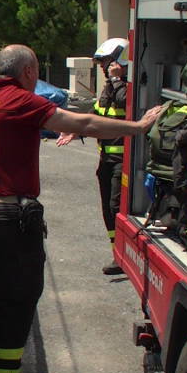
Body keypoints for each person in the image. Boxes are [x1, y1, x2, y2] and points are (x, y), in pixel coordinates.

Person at [0, 44, 161, 373]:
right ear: (29, 72)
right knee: (20, 298)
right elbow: (82, 123)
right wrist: (139, 127)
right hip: (12, 218)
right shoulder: (21, 100)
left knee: (8, 296)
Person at [56, 37, 130, 275]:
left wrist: (117, 79)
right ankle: (117, 255)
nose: (103, 68)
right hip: (106, 161)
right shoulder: (110, 86)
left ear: (120, 60)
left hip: (122, 161)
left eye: (106, 63)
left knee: (116, 206)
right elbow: (96, 114)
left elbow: (126, 103)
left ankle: (123, 256)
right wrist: (75, 130)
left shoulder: (128, 85)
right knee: (108, 210)